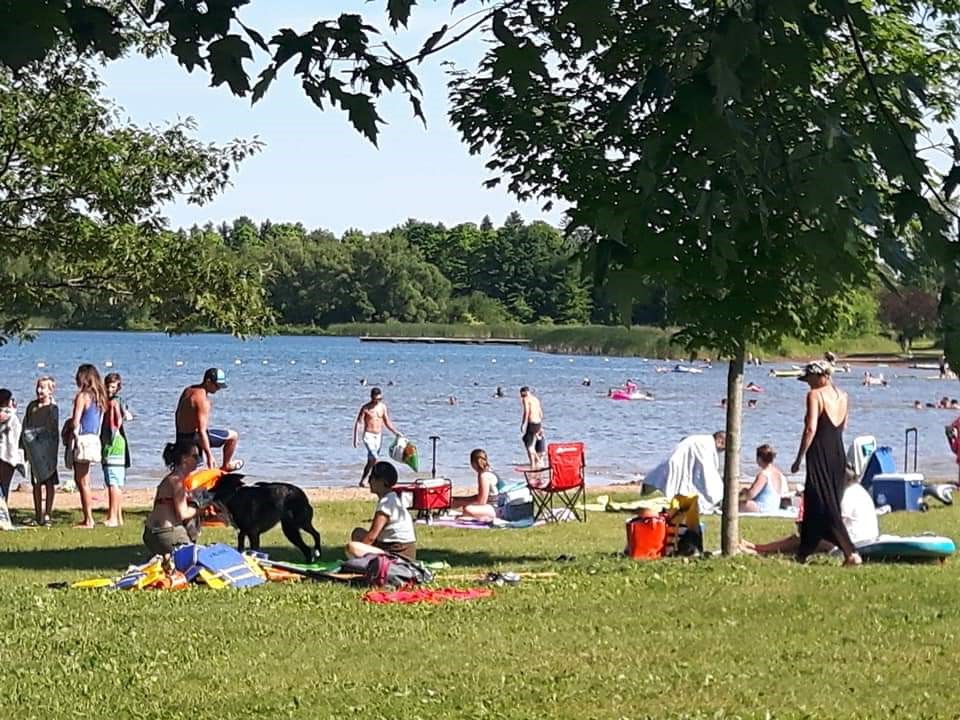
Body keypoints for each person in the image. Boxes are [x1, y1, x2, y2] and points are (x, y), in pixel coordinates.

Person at [790, 361, 861, 566]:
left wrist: (799, 457)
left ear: (822, 377)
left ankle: (851, 552)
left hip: (819, 453)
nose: (808, 384)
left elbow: (811, 428)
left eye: (810, 379)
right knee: (814, 502)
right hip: (837, 453)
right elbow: (844, 425)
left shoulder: (815, 395)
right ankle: (803, 553)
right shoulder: (843, 396)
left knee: (827, 505)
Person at [741, 477, 879, 556]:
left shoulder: (847, 495)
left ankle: (758, 549)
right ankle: (758, 549)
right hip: (865, 537)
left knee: (801, 539)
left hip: (854, 541)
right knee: (803, 541)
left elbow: (835, 524)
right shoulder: (858, 490)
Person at [175, 368, 243, 472]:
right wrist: (209, 456)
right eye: (217, 385)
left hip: (181, 436)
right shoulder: (203, 401)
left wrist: (178, 440)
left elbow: (177, 414)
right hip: (195, 437)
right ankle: (226, 465)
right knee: (233, 436)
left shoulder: (188, 390)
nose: (218, 389)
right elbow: (202, 431)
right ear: (208, 381)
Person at [346, 461, 416, 560]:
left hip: (397, 554)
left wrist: (360, 550)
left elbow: (371, 537)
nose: (369, 481)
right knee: (357, 533)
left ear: (382, 481)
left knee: (352, 547)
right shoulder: (392, 498)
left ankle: (363, 563)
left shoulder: (386, 504)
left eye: (371, 478)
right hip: (399, 549)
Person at [643, 432, 726, 513]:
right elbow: (707, 471)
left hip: (674, 462)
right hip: (677, 463)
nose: (721, 452)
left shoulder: (701, 440)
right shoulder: (705, 445)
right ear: (720, 442)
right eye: (723, 448)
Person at [143, 440, 200, 557]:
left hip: (150, 534)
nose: (199, 460)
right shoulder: (177, 481)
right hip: (167, 534)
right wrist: (201, 508)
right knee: (196, 559)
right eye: (195, 456)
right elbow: (183, 514)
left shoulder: (168, 480)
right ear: (184, 458)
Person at [68, 364, 107, 528]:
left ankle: (88, 519)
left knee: (81, 481)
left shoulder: (83, 396)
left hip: (82, 440)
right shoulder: (99, 398)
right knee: (86, 480)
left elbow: (76, 421)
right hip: (94, 439)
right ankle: (88, 517)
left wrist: (68, 427)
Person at [21, 377, 59, 525]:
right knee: (36, 483)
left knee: (50, 483)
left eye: (42, 387)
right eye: (38, 387)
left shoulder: (52, 408)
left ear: (51, 390)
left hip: (47, 451)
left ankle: (48, 513)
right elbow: (26, 425)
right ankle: (38, 515)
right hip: (34, 451)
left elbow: (54, 430)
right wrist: (24, 446)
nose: (39, 390)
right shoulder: (32, 406)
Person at [353, 387, 401, 487]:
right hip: (368, 435)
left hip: (378, 436)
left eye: (380, 399)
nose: (378, 401)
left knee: (371, 461)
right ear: (372, 397)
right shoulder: (366, 408)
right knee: (375, 457)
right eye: (376, 399)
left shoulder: (382, 407)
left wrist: (396, 432)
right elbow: (359, 422)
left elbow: (387, 421)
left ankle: (363, 480)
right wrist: (356, 438)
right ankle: (377, 479)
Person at [101, 372, 132, 527]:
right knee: (117, 482)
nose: (109, 389)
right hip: (120, 443)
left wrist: (109, 438)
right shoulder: (119, 401)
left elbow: (116, 422)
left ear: (118, 387)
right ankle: (117, 516)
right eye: (107, 386)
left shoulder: (113, 403)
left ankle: (113, 517)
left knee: (113, 482)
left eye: (112, 386)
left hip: (113, 444)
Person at [453, 448, 504, 520]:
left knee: (467, 509)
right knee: (463, 504)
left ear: (473, 463)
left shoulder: (484, 476)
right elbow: (481, 496)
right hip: (497, 504)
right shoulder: (489, 471)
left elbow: (482, 501)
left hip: (497, 508)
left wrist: (464, 503)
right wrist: (461, 500)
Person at [740, 444, 787, 513]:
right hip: (774, 506)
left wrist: (744, 490)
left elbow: (751, 495)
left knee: (734, 504)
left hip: (763, 507)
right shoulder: (779, 473)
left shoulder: (763, 475)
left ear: (759, 458)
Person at [0, 389, 25, 501]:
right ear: (7, 401)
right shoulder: (11, 417)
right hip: (7, 454)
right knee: (5, 484)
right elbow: (18, 434)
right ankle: (2, 511)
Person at [519, 386, 544, 468]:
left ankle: (536, 461)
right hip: (538, 423)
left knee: (529, 444)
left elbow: (526, 412)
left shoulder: (526, 399)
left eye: (521, 394)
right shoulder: (536, 399)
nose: (521, 396)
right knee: (529, 441)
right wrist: (541, 425)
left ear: (525, 392)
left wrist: (523, 424)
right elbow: (541, 413)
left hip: (532, 423)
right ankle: (533, 463)